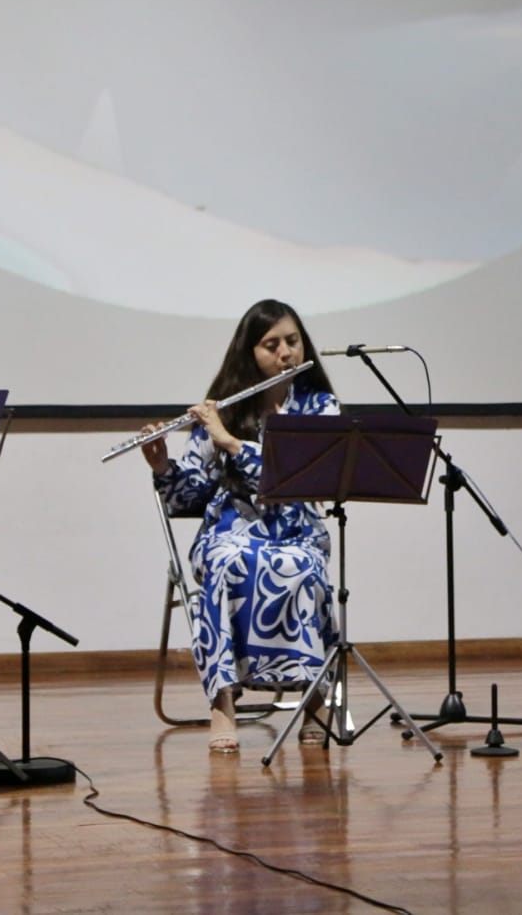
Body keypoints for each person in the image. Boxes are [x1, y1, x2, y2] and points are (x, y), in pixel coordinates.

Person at [142, 299, 340, 754]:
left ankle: (314, 698)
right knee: (229, 562)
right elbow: (186, 497)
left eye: (292, 341)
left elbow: (298, 479)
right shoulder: (225, 410)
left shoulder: (320, 408)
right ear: (250, 353)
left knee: (303, 568)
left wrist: (230, 444)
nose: (286, 353)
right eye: (271, 345)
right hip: (230, 530)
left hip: (296, 528)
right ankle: (222, 701)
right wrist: (162, 467)